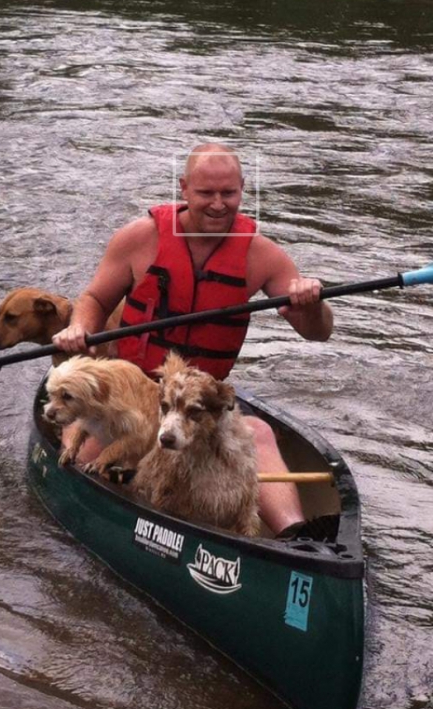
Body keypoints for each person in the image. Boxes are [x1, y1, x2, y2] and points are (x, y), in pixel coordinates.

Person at [52, 144, 333, 537]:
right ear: (184, 188)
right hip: (132, 392)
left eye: (229, 194)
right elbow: (95, 300)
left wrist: (310, 304)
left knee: (261, 433)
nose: (219, 204)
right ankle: (110, 515)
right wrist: (78, 328)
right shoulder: (139, 238)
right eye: (206, 193)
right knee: (81, 451)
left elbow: (317, 332)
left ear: (242, 190)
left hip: (198, 404)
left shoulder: (261, 254)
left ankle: (296, 538)